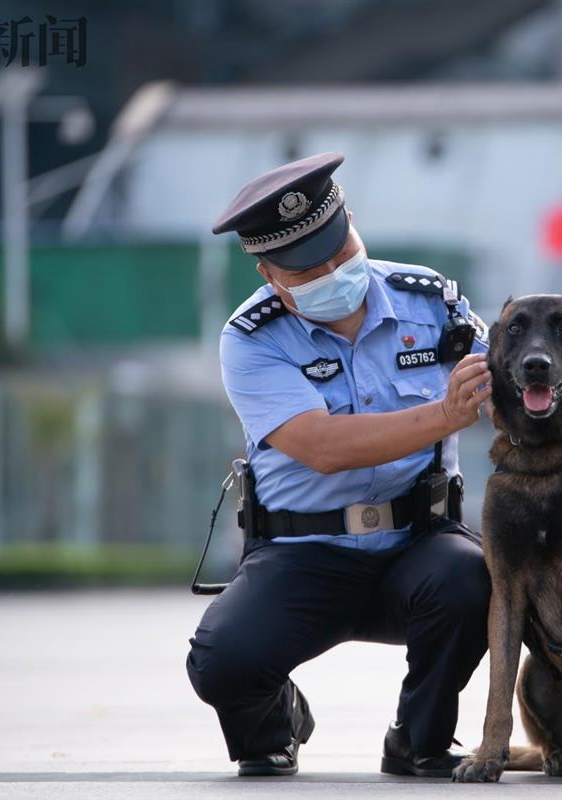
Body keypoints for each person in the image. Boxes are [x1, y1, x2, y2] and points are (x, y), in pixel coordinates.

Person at [185, 152, 494, 778]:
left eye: (340, 248)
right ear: (271, 274)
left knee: (476, 578)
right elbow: (321, 445)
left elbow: (506, 375)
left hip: (417, 543)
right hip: (305, 555)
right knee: (222, 660)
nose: (333, 271)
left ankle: (420, 736)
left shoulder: (430, 302)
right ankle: (275, 724)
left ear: (351, 220)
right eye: (308, 269)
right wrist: (446, 415)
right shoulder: (251, 338)